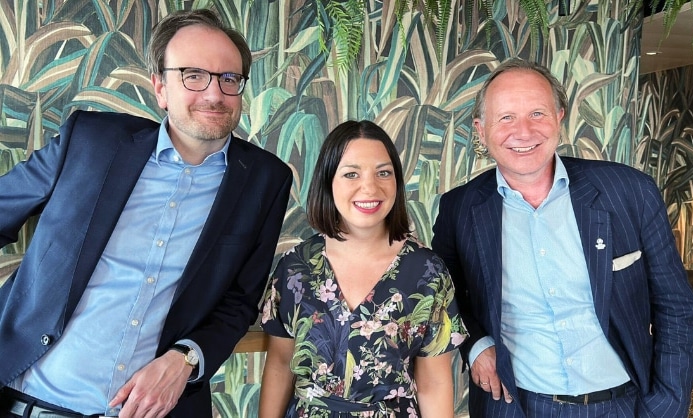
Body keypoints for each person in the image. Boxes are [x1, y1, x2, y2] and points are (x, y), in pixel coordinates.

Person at [0, 9, 292, 418]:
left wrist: (185, 359)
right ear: (160, 87)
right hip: (30, 402)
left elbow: (239, 301)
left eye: (229, 78)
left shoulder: (266, 180)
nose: (214, 94)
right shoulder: (90, 140)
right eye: (193, 75)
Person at [431, 58, 693, 418]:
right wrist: (477, 345)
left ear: (560, 117)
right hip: (514, 407)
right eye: (506, 117)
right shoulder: (459, 208)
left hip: (621, 405)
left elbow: (676, 307)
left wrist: (667, 405)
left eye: (537, 114)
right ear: (481, 131)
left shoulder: (629, 191)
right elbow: (444, 292)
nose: (523, 132)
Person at [258, 120, 467, 418]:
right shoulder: (296, 268)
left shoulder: (427, 271)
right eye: (351, 174)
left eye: (383, 172)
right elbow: (280, 364)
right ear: (328, 181)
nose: (369, 187)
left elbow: (433, 382)